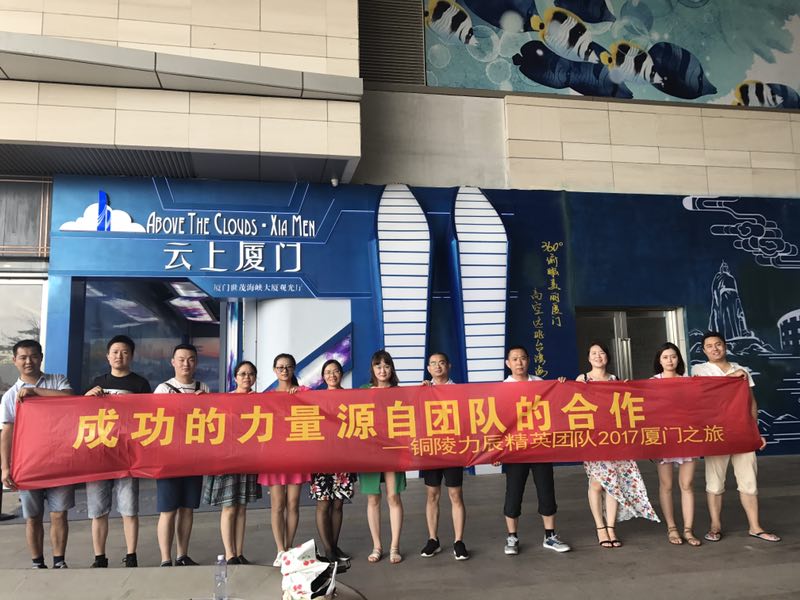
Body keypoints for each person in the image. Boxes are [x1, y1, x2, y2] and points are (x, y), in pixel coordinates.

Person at [692, 331, 780, 543]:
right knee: (715, 483)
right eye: (709, 346)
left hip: (741, 432)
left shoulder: (742, 370)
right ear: (704, 350)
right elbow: (707, 392)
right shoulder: (699, 369)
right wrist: (731, 378)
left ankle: (755, 527)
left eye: (718, 344)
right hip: (716, 433)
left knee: (749, 482)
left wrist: (754, 431)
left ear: (725, 346)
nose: (715, 349)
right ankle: (715, 526)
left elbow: (751, 402)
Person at [0, 339, 74, 569]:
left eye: (33, 356)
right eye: (23, 357)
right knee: (32, 516)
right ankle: (37, 563)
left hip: (60, 461)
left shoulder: (57, 380)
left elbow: (71, 400)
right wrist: (5, 468)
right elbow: (7, 433)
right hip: (28, 464)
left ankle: (59, 561)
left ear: (41, 357)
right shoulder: (10, 396)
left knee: (59, 513)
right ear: (15, 360)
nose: (28, 361)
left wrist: (35, 392)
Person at [577, 342, 659, 548]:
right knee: (597, 484)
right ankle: (600, 527)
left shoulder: (616, 380)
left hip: (616, 439)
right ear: (588, 358)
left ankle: (611, 527)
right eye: (593, 353)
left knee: (614, 484)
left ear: (607, 357)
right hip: (594, 439)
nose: (598, 356)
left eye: (601, 353)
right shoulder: (582, 379)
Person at [84, 335, 152, 568]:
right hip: (99, 455)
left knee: (129, 509)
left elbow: (150, 417)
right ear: (107, 356)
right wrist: (86, 398)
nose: (119, 356)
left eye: (124, 352)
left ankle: (131, 556)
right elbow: (81, 415)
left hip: (127, 456)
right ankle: (99, 557)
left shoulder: (140, 384)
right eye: (115, 352)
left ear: (131, 356)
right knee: (97, 511)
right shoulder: (96, 383)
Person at [501, 346, 571, 557]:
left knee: (546, 490)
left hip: (540, 447)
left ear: (528, 361)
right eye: (515, 359)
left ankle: (550, 535)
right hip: (516, 448)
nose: (519, 362)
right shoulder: (502, 388)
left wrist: (561, 387)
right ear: (508, 363)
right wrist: (498, 451)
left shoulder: (540, 383)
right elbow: (498, 422)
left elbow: (554, 407)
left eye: (523, 358)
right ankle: (512, 537)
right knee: (513, 493)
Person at [153, 343, 210, 567]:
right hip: (168, 459)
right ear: (173, 362)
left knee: (187, 508)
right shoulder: (163, 389)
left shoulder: (203, 388)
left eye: (191, 359)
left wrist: (205, 404)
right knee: (168, 510)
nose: (186, 364)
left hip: (194, 458)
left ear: (196, 362)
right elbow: (156, 421)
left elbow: (211, 422)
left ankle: (182, 555)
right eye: (181, 359)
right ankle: (165, 558)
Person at [203, 360, 262, 565]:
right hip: (228, 459)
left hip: (248, 459)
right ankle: (229, 554)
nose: (247, 377)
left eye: (251, 374)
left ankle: (239, 551)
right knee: (229, 507)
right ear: (235, 377)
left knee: (242, 507)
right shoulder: (224, 400)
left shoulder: (261, 400)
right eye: (242, 374)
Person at [257, 353, 312, 567]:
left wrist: (301, 396)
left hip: (297, 455)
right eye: (280, 367)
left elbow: (320, 408)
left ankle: (289, 548)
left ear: (294, 369)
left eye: (288, 367)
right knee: (277, 504)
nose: (284, 371)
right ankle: (280, 549)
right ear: (274, 370)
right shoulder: (267, 397)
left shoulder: (304, 392)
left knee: (293, 503)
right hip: (274, 456)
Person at [419, 352, 469, 561]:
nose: (437, 366)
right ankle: (433, 539)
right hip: (431, 448)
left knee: (455, 495)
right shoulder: (422, 391)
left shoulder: (459, 391)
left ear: (449, 366)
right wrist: (420, 392)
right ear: (428, 369)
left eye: (441, 363)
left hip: (452, 448)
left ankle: (459, 541)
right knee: (432, 495)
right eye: (433, 363)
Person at [651, 343, 701, 547]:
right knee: (667, 485)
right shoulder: (652, 383)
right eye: (665, 357)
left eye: (673, 356)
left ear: (678, 359)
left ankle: (688, 529)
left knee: (687, 484)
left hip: (687, 436)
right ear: (659, 360)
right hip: (663, 438)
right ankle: (672, 527)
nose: (669, 360)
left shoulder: (689, 381)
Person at [360, 350, 405, 564]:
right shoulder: (362, 391)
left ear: (392, 369)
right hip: (370, 451)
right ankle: (377, 546)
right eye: (378, 366)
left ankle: (394, 546)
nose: (382, 370)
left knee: (393, 496)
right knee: (373, 498)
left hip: (393, 450)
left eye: (386, 366)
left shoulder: (400, 392)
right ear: (373, 369)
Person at [309, 359, 355, 564]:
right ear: (323, 376)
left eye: (336, 371)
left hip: (344, 458)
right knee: (323, 503)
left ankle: (335, 546)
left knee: (338, 504)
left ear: (341, 374)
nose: (332, 375)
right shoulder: (315, 398)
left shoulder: (351, 397)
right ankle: (327, 549)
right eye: (328, 372)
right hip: (321, 457)